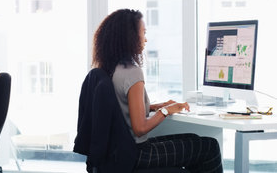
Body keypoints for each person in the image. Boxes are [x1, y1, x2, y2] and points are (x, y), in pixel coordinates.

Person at [92, 9, 223, 172]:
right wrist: (167, 110)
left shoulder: (111, 68)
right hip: (136, 153)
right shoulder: (132, 72)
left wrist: (154, 106)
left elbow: (121, 108)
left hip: (118, 152)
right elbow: (140, 129)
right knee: (209, 147)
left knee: (194, 140)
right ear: (130, 37)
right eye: (143, 33)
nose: (146, 39)